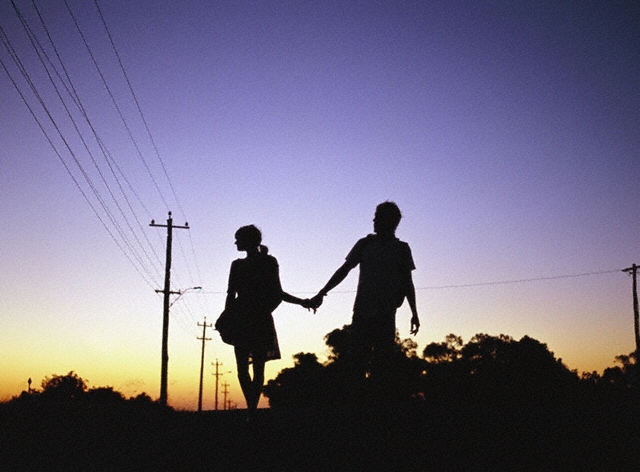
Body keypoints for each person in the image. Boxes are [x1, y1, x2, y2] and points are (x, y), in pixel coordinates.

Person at [309, 201, 419, 397]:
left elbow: (407, 282)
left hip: (386, 313)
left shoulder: (402, 249)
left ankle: (376, 409)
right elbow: (344, 270)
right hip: (362, 311)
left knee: (382, 365)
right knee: (357, 364)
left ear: (392, 222)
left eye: (378, 218)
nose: (374, 221)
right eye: (375, 217)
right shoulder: (365, 243)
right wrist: (322, 292)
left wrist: (414, 313)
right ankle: (358, 408)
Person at [225, 225, 311, 418]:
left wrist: (301, 302)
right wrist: (227, 316)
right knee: (244, 369)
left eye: (238, 239)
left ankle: (252, 410)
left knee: (255, 367)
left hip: (256, 319)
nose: (236, 243)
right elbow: (231, 294)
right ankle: (252, 407)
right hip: (244, 319)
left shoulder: (269, 262)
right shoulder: (236, 265)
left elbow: (277, 293)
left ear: (250, 240)